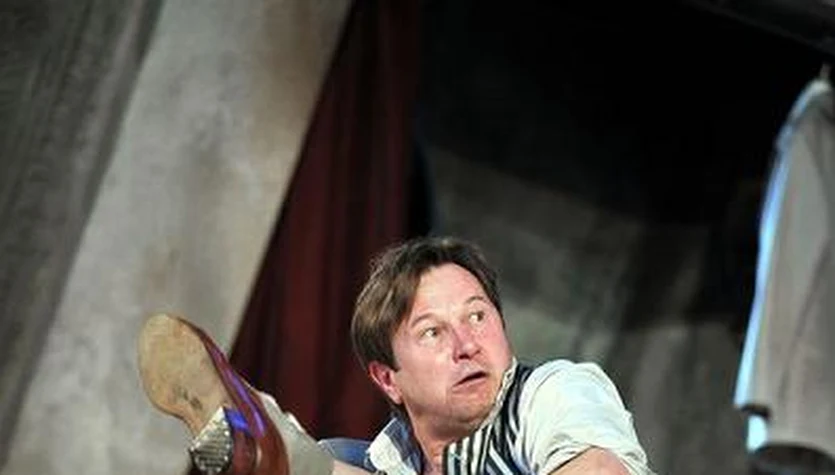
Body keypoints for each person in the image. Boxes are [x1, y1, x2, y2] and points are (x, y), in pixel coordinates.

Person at [138, 236, 654, 475]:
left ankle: (281, 451)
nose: (467, 344)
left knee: (324, 468)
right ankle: (272, 447)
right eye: (433, 333)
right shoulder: (378, 461)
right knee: (338, 460)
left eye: (477, 316)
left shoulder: (551, 393)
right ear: (388, 379)